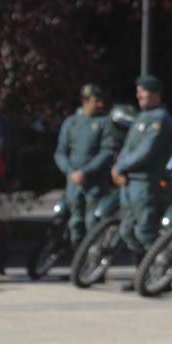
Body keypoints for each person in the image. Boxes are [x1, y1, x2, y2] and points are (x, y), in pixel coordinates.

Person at [111, 75, 172, 290]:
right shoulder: (142, 117)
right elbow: (129, 147)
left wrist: (122, 166)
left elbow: (146, 151)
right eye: (138, 91)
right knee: (128, 230)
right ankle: (142, 274)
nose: (139, 95)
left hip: (145, 182)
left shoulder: (160, 119)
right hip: (130, 180)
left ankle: (160, 274)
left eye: (143, 91)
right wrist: (119, 165)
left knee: (144, 231)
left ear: (156, 93)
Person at [53, 84, 117, 247]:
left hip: (94, 182)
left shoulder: (105, 122)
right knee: (76, 222)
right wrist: (70, 171)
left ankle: (93, 263)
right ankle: (77, 261)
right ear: (84, 100)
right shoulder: (71, 122)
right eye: (96, 101)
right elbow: (60, 152)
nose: (100, 105)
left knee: (92, 222)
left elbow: (107, 152)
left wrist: (86, 172)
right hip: (74, 182)